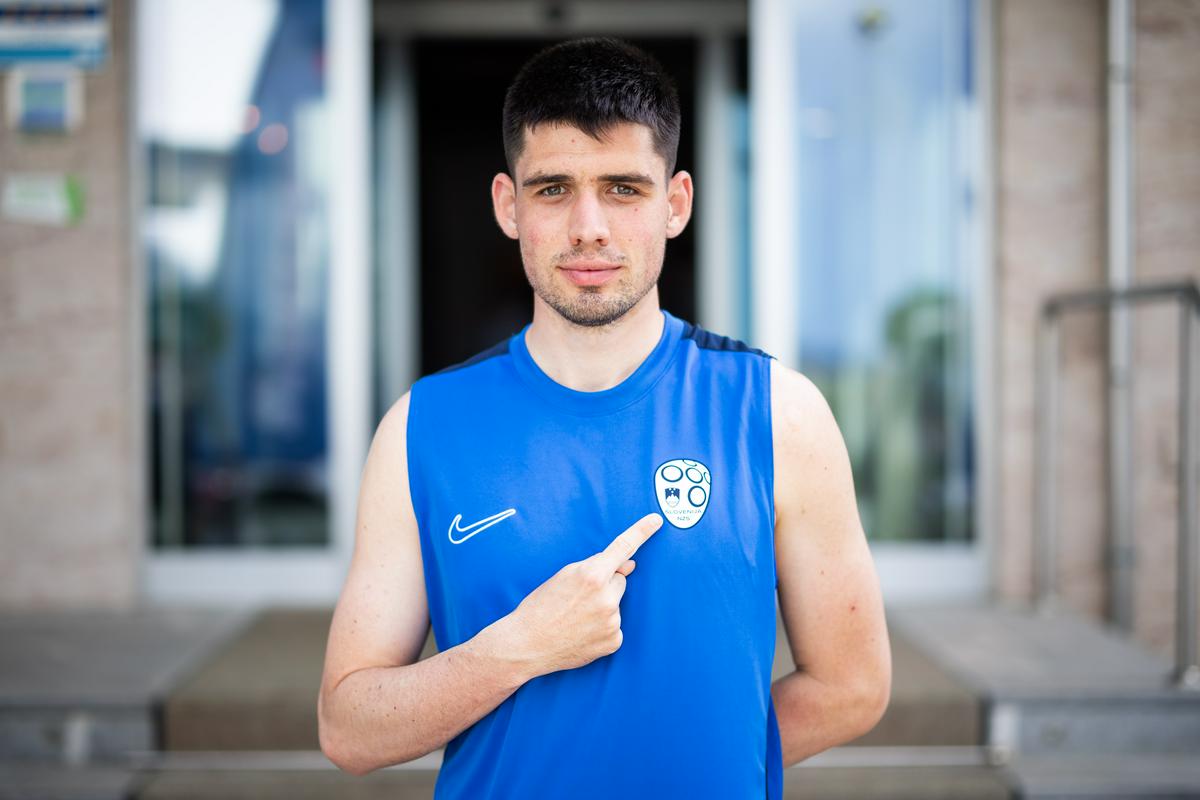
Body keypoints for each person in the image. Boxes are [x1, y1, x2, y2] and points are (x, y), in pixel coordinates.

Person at [318, 36, 891, 798]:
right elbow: (348, 727)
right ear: (508, 206)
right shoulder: (421, 428)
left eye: (623, 188)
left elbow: (853, 686)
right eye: (554, 189)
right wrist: (519, 647)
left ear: (676, 204)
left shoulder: (778, 413)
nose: (589, 226)